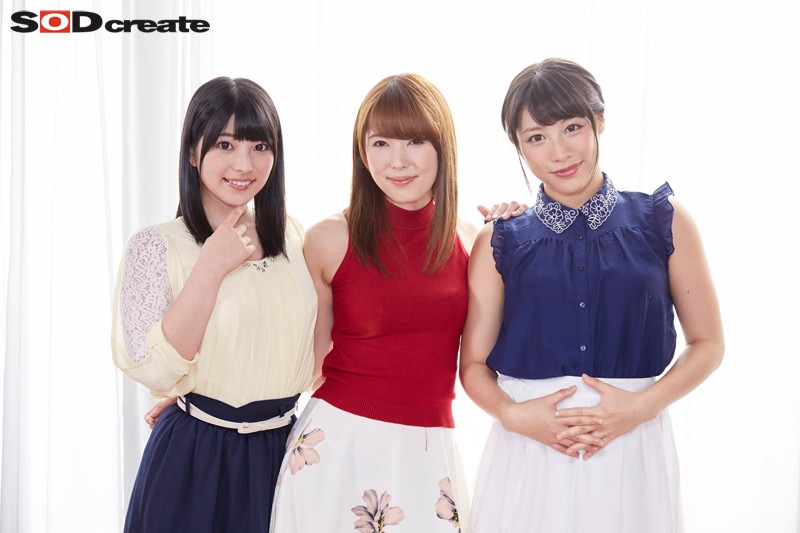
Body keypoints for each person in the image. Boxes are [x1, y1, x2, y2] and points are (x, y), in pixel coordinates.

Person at [460, 58, 724, 533]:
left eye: (572, 127)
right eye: (536, 137)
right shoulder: (500, 239)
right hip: (530, 452)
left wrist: (642, 407)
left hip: (633, 445)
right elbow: (473, 365)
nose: (559, 151)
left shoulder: (663, 221)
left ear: (599, 121)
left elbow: (708, 344)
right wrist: (513, 416)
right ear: (518, 147)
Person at [269, 73, 500, 533]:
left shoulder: (472, 240)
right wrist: (202, 388)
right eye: (380, 143)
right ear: (362, 151)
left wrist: (522, 227)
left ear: (442, 148)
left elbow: (490, 358)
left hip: (429, 454)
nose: (398, 161)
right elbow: (304, 361)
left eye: (415, 141)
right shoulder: (330, 239)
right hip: (337, 450)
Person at [111, 77, 316, 532]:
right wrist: (210, 267)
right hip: (196, 460)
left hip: (284, 455)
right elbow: (156, 369)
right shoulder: (156, 245)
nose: (244, 163)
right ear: (192, 151)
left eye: (260, 146)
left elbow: (311, 348)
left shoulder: (293, 236)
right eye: (225, 144)